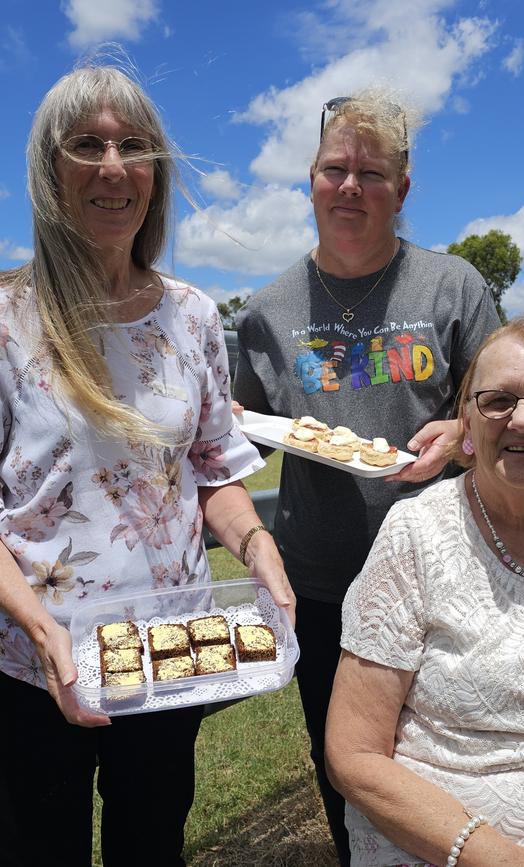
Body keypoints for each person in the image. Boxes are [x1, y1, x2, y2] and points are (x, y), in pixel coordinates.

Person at [0, 60, 294, 867]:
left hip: (173, 651)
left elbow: (212, 469)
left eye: (134, 146)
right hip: (36, 666)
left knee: (151, 843)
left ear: (156, 174)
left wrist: (258, 547)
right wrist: (36, 626)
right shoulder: (7, 318)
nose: (113, 167)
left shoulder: (194, 315)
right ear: (47, 167)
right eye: (87, 145)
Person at [234, 90, 501, 864]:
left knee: (452, 751)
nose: (351, 187)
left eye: (372, 173)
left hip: (446, 574)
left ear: (403, 189)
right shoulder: (268, 311)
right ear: (312, 180)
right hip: (322, 582)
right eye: (335, 169)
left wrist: (463, 428)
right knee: (344, 763)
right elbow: (242, 437)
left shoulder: (453, 289)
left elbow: (500, 403)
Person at [325, 317, 524, 867]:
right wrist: (500, 857)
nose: (523, 419)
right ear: (467, 427)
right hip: (446, 846)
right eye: (498, 401)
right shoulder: (416, 536)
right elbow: (353, 753)